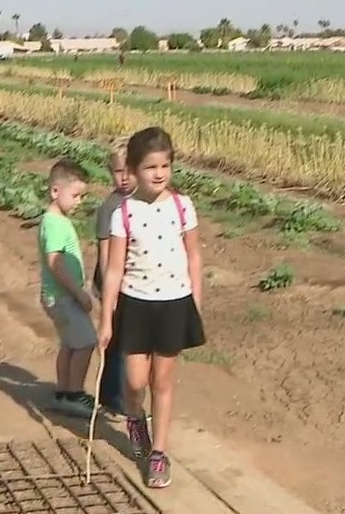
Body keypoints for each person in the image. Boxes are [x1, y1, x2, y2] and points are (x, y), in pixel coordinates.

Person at [99, 126, 205, 489]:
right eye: (150, 167)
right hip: (136, 304)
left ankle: (158, 453)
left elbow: (193, 257)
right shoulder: (123, 213)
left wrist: (195, 303)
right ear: (132, 169)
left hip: (173, 303)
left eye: (165, 166)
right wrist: (106, 318)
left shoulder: (182, 206)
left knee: (162, 381)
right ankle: (134, 418)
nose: (159, 173)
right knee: (133, 381)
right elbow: (113, 270)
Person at [39, 158, 98, 418]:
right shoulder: (54, 224)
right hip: (64, 296)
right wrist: (79, 293)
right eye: (75, 195)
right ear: (55, 191)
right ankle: (75, 395)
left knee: (69, 345)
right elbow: (55, 262)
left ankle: (63, 391)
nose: (79, 202)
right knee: (86, 342)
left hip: (57, 297)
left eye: (82, 197)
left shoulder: (55, 220)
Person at [92, 138, 134, 420]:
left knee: (126, 341)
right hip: (113, 284)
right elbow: (105, 253)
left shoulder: (139, 202)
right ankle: (113, 397)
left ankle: (113, 395)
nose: (125, 177)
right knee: (117, 342)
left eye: (129, 170)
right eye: (118, 172)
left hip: (132, 283)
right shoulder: (111, 207)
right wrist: (111, 291)